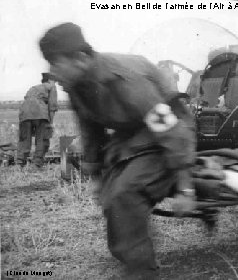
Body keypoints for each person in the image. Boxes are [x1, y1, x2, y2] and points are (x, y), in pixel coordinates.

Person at [39, 22, 196, 279]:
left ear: (80, 58)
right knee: (112, 195)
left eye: (56, 63)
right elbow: (91, 133)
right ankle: (132, 256)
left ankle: (142, 272)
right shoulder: (78, 86)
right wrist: (99, 181)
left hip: (171, 129)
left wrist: (185, 186)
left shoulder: (123, 79)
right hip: (132, 133)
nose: (53, 72)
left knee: (125, 193)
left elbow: (170, 131)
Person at [17, 72, 58, 168]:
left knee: (24, 138)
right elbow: (52, 106)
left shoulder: (33, 88)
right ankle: (36, 164)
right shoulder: (51, 86)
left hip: (24, 112)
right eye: (54, 81)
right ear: (50, 80)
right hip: (40, 113)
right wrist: (50, 123)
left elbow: (26, 100)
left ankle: (19, 163)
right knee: (42, 139)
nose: (55, 83)